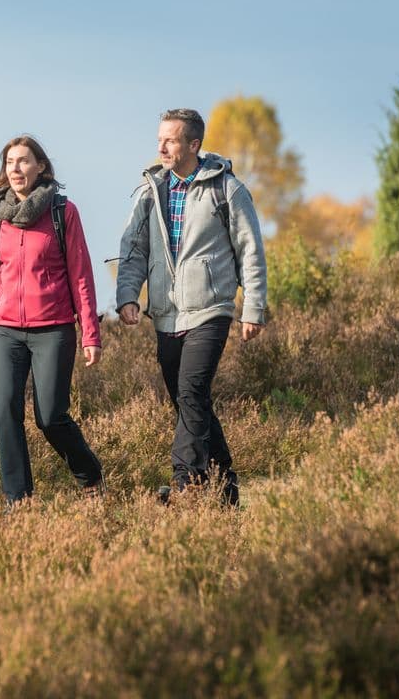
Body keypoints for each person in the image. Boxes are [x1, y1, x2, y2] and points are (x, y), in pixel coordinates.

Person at [116, 108, 267, 506]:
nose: (162, 147)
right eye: (159, 140)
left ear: (193, 144)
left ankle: (185, 483)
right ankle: (227, 492)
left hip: (211, 308)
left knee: (191, 390)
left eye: (170, 140)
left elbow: (250, 251)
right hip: (167, 313)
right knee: (189, 401)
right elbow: (133, 248)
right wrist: (128, 295)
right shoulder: (151, 191)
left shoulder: (227, 189)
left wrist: (253, 308)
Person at [0, 135, 105, 505]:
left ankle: (90, 476)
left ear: (40, 167)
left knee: (50, 417)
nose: (16, 168)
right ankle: (18, 500)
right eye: (10, 162)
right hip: (6, 330)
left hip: (53, 329)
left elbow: (81, 275)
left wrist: (90, 333)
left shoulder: (63, 212)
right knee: (4, 409)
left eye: (24, 161)